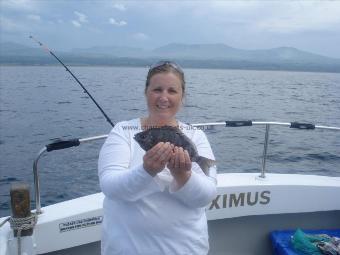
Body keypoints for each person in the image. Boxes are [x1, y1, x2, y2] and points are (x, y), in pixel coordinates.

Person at [98, 61, 217, 255]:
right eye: (157, 89)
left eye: (172, 91)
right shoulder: (123, 131)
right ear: (146, 92)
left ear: (182, 96)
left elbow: (206, 196)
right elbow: (110, 187)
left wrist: (183, 175)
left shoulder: (196, 136)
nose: (164, 97)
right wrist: (147, 170)